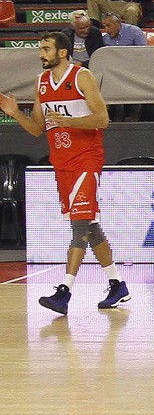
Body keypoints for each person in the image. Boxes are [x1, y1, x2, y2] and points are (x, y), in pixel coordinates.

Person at [0, 32, 129, 316]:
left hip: (87, 159)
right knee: (90, 227)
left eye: (45, 49)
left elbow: (103, 119)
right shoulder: (40, 83)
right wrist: (15, 113)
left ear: (62, 52)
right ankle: (117, 284)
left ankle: (64, 291)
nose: (40, 54)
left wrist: (67, 120)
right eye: (39, 49)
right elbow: (37, 129)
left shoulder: (81, 76)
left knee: (79, 227)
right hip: (62, 162)